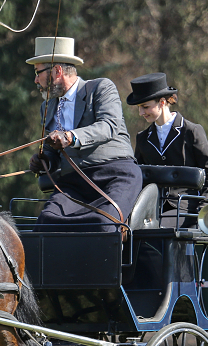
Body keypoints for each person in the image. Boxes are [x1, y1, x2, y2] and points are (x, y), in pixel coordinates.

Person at [27, 37, 143, 233]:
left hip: (115, 176)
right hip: (73, 185)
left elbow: (109, 125)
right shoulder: (46, 108)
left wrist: (70, 136)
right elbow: (52, 152)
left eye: (38, 73)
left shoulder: (100, 88)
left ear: (57, 71)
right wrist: (44, 160)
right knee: (45, 224)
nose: (36, 80)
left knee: (103, 226)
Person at [127, 72, 208, 221]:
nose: (141, 113)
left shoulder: (191, 131)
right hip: (151, 209)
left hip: (185, 207)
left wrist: (204, 207)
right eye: (139, 108)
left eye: (145, 107)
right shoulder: (143, 138)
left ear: (162, 102)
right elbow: (138, 177)